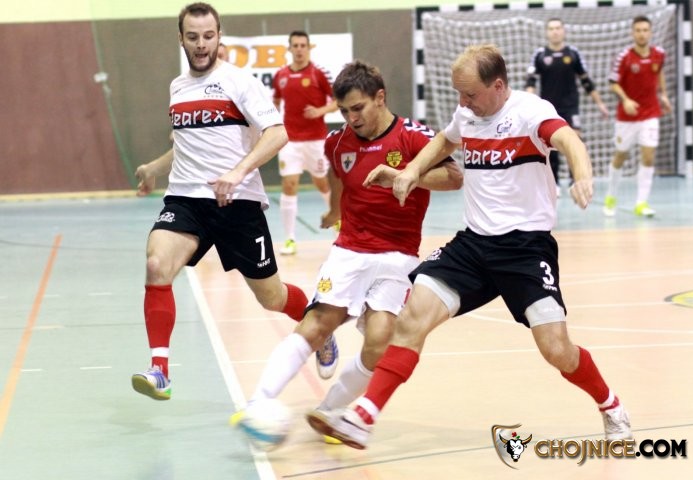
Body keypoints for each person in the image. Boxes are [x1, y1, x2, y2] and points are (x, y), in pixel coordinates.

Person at [307, 44, 632, 450]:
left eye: (470, 94)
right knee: (411, 319)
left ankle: (610, 404)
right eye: (459, 94)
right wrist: (411, 171)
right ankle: (363, 417)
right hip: (474, 245)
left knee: (557, 350)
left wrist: (582, 176)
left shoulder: (531, 112)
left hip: (525, 250)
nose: (462, 103)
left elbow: (569, 140)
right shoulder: (467, 114)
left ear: (498, 86)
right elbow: (445, 140)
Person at [234, 60, 462, 443]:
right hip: (350, 250)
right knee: (316, 324)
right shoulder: (337, 142)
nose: (351, 118)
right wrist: (334, 209)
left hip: (399, 256)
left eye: (358, 108)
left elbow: (455, 177)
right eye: (343, 111)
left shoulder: (412, 136)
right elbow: (338, 173)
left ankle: (328, 411)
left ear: (380, 97)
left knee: (379, 339)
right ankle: (257, 403)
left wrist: (407, 176)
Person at [130, 2, 313, 401]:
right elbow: (186, 145)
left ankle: (320, 323)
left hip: (237, 202)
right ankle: (160, 370)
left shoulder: (239, 81)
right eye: (193, 37)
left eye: (208, 36)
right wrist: (153, 169)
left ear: (219, 36)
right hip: (187, 199)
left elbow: (278, 133)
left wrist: (237, 172)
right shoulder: (178, 87)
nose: (201, 44)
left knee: (272, 298)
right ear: (181, 39)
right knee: (157, 264)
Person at [272, 31, 338, 256]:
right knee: (289, 184)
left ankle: (338, 222)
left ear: (309, 48)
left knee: (322, 183)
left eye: (303, 45)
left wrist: (319, 111)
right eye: (295, 45)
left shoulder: (318, 73)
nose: (299, 49)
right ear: (289, 49)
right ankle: (290, 238)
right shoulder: (280, 75)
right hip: (289, 140)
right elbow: (276, 99)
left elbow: (338, 101)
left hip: (316, 140)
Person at [525, 17, 609, 193]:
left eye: (558, 28)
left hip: (571, 107)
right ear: (547, 32)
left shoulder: (573, 53)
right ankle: (554, 183)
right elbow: (530, 82)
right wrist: (529, 105)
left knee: (574, 141)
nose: (555, 31)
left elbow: (586, 81)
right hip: (548, 108)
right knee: (551, 144)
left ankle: (576, 180)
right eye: (551, 28)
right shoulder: (540, 54)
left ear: (563, 31)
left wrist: (600, 104)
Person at [603, 15, 671, 217]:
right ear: (632, 33)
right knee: (621, 155)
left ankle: (641, 203)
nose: (642, 34)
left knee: (648, 157)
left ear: (650, 32)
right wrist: (625, 100)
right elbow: (613, 83)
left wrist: (664, 95)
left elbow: (659, 73)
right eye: (638, 30)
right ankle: (611, 196)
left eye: (645, 30)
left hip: (650, 113)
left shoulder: (659, 54)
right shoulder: (624, 57)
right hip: (627, 117)